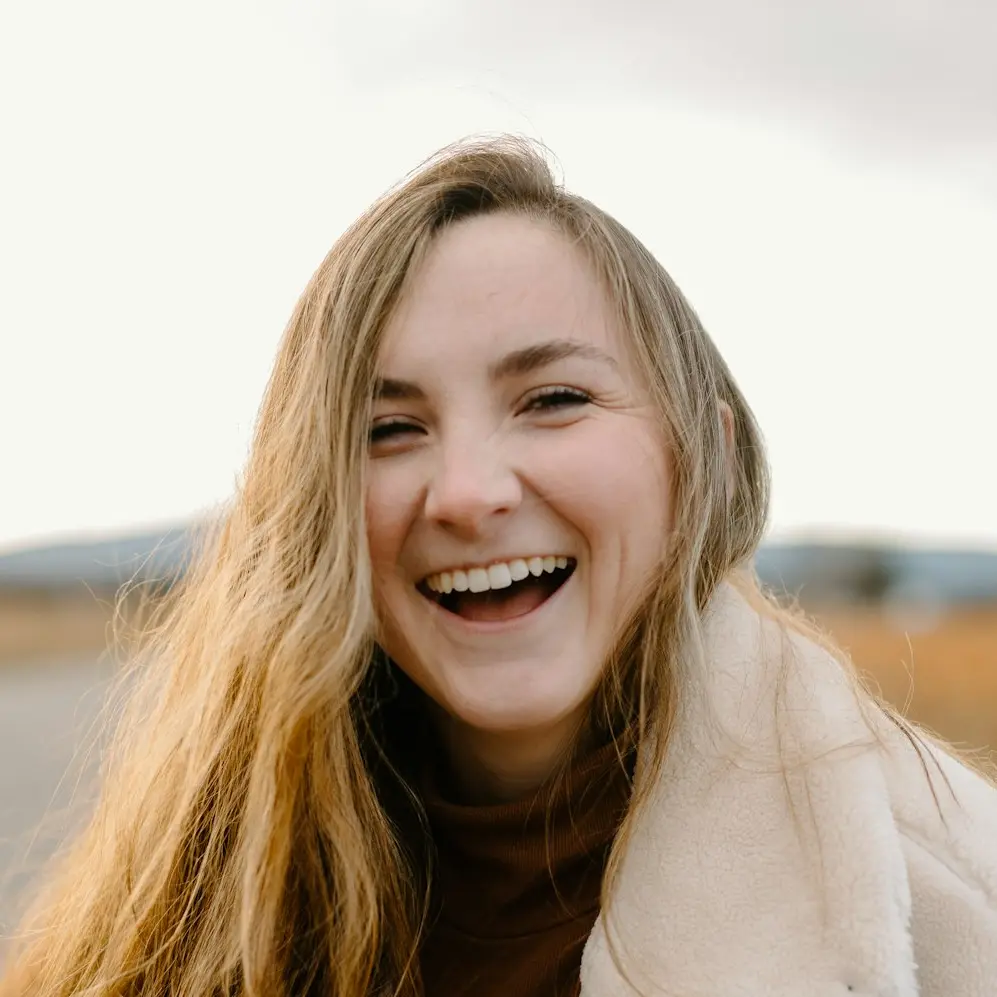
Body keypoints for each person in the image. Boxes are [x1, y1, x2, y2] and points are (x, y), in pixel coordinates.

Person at [3, 137, 996, 997]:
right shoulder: (192, 887)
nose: (466, 492)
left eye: (554, 398)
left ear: (705, 457)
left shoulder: (934, 892)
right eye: (389, 429)